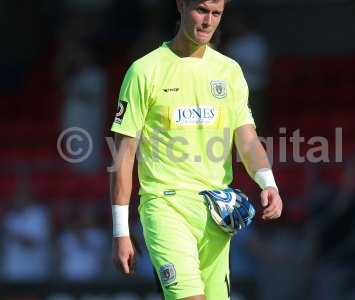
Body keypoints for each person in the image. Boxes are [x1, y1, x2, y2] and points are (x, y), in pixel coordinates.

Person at [109, 1, 283, 299]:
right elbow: (123, 156)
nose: (208, 21)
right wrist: (120, 231)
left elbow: (248, 139)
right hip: (165, 206)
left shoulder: (229, 71)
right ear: (180, 5)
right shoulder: (144, 70)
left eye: (216, 13)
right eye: (201, 10)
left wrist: (268, 183)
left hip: (217, 211)